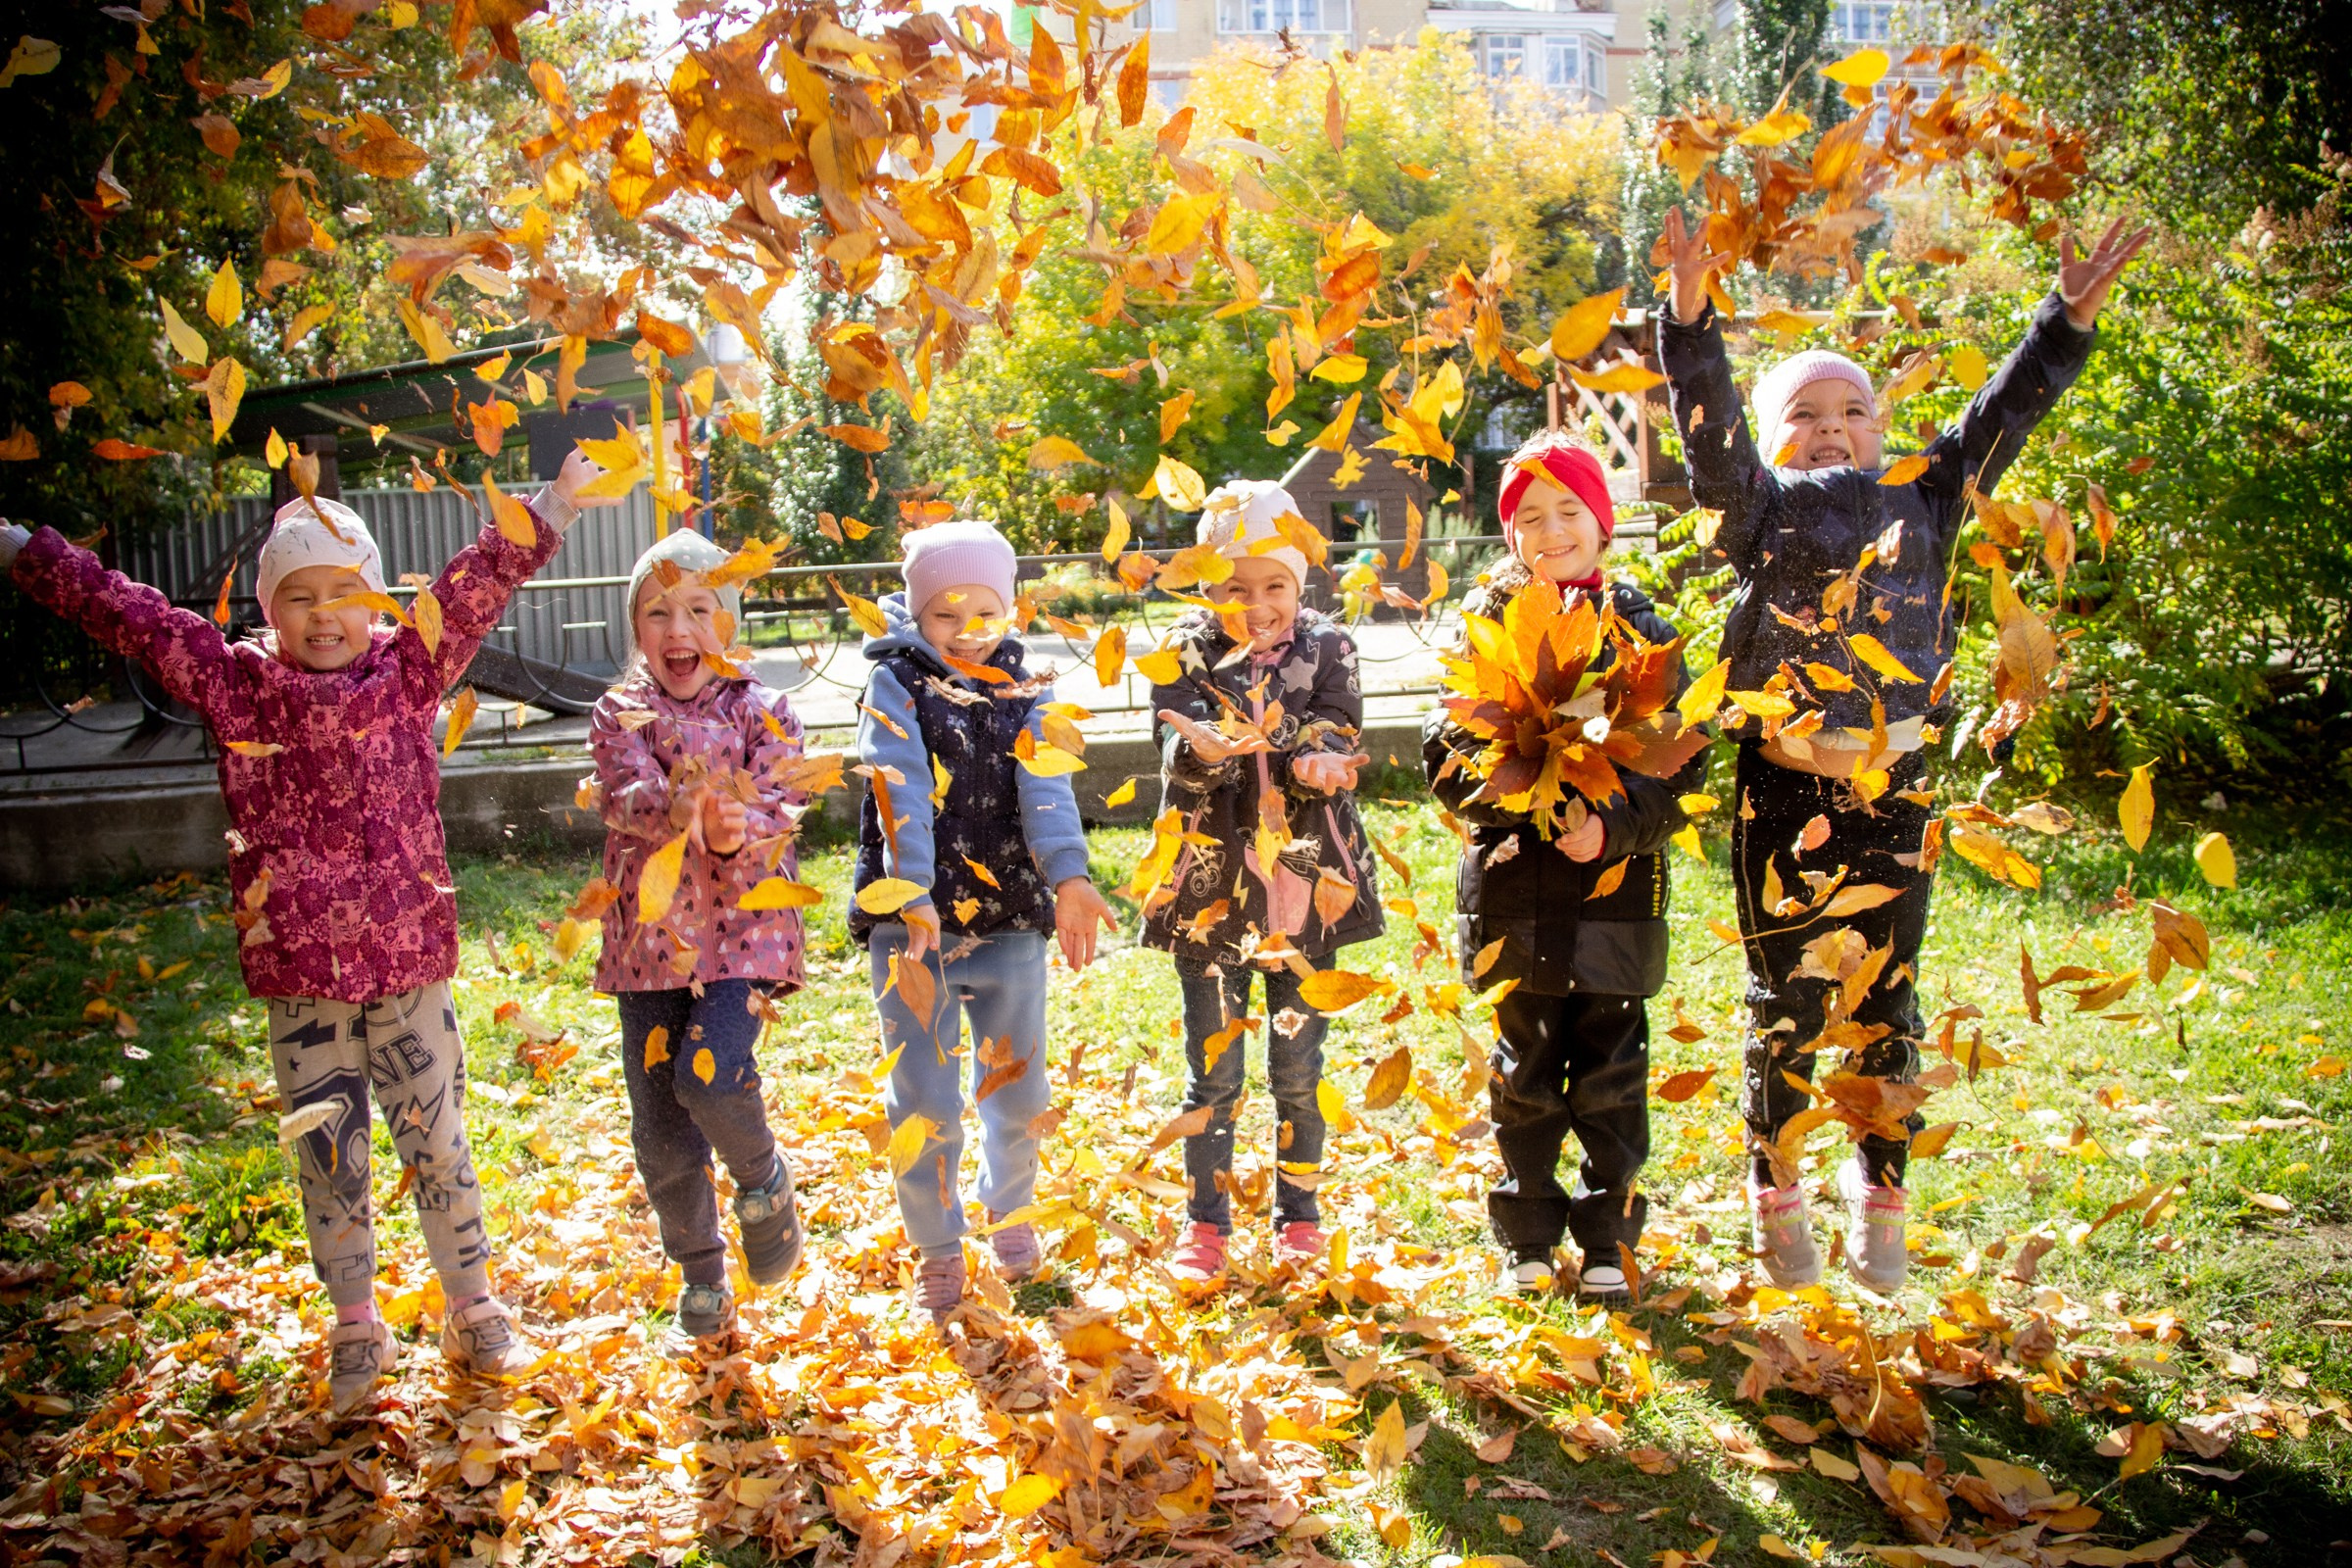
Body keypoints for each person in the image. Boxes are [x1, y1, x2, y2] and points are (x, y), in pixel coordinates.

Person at [0, 450, 617, 1414]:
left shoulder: (412, 668)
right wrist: (23, 552)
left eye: (344, 591)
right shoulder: (238, 686)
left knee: (437, 1141)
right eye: (300, 596)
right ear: (266, 611)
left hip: (406, 967)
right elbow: (131, 612)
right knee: (329, 1156)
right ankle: (358, 1322)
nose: (325, 613)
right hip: (301, 978)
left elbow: (479, 577)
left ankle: (473, 1303)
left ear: (375, 601)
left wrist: (556, 503)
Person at [1655, 208, 2150, 1291]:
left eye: (1854, 410)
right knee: (1786, 1000)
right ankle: (1774, 1187)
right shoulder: (1759, 512)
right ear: (1775, 437)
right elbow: (1709, 436)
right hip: (1784, 797)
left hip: (1897, 795)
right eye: (1805, 413)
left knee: (1887, 1000)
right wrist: (1690, 321)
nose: (1832, 426)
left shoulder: (1926, 495)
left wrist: (2063, 324)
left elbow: (1997, 421)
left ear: (1884, 428)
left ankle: (1881, 1185)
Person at [1423, 433, 1704, 1298]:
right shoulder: (1486, 627)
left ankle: (1610, 1237)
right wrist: (1521, 798)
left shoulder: (1644, 636)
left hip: (1613, 906)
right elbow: (1446, 754)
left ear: (1603, 524)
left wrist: (1613, 828)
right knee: (1525, 1080)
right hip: (1515, 898)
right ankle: (1529, 1235)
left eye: (1570, 511)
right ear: (1509, 536)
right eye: (1530, 516)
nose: (1552, 531)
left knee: (1613, 1080)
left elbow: (1681, 769)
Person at [851, 518, 1118, 1321]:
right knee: (922, 1097)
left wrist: (1068, 877)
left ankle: (1011, 1212)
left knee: (1016, 1083)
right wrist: (912, 889)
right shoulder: (896, 684)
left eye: (984, 613)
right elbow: (897, 785)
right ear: (915, 612)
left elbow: (1047, 789)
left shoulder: (1028, 689)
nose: (966, 631)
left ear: (1012, 609)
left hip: (1007, 917)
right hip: (915, 927)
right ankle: (937, 1244)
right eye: (945, 614)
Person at [1142, 480, 1382, 1291]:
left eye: (1273, 584)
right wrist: (1200, 755)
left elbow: (1336, 721)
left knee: (1296, 1065)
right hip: (1210, 884)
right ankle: (1205, 1222)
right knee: (1213, 1069)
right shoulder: (1185, 651)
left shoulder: (1330, 646)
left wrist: (1317, 758)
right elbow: (1173, 755)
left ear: (1300, 581)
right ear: (1207, 586)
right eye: (1234, 588)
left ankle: (1299, 1217)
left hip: (1303, 885)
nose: (1256, 604)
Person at [585, 528, 810, 1351]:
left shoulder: (763, 707)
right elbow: (622, 792)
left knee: (711, 1076)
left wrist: (730, 828)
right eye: (656, 612)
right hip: (649, 940)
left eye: (698, 609)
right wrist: (676, 813)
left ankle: (762, 1181)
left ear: (729, 620)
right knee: (660, 1123)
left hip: (743, 935)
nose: (678, 630)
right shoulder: (620, 710)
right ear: (635, 628)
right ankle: (701, 1271)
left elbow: (783, 802)